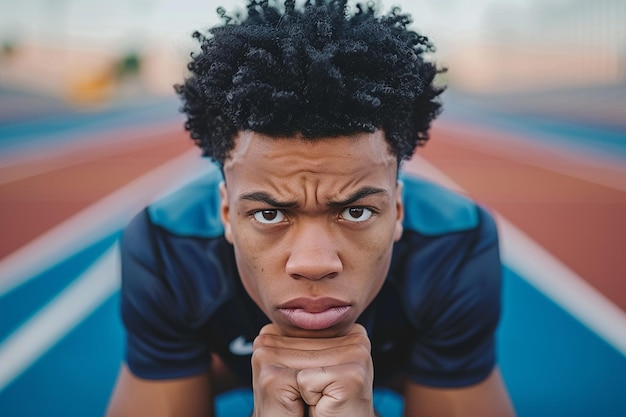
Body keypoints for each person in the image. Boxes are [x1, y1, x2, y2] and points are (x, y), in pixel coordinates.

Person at [105, 0, 516, 416]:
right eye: (270, 214)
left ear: (398, 208)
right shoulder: (168, 249)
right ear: (226, 213)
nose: (314, 263)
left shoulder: (453, 247)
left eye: (356, 211)